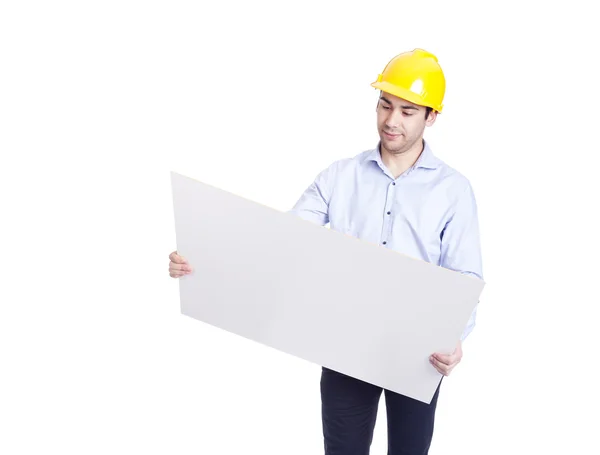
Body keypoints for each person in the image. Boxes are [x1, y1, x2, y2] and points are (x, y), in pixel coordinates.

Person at [168, 48, 483, 455]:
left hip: (416, 354)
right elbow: (280, 240)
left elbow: (466, 278)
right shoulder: (340, 177)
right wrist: (204, 258)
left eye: (408, 111)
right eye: (385, 105)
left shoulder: (453, 191)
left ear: (431, 117)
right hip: (346, 345)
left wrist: (454, 339)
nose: (391, 120)